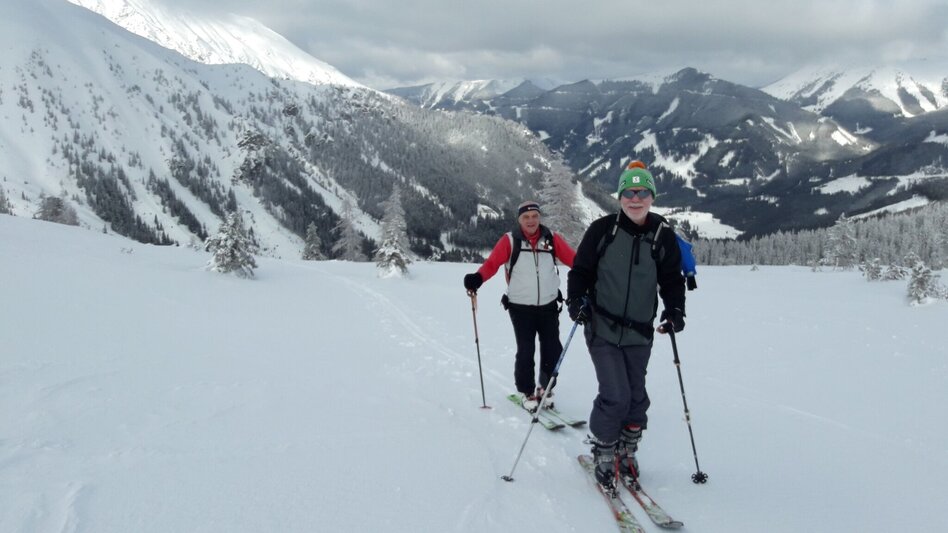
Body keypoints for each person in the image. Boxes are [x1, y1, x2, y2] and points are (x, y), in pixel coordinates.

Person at [566, 160, 686, 494]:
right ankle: (604, 451)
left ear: (652, 196)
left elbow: (671, 280)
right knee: (615, 395)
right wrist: (576, 302)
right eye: (629, 192)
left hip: (640, 332)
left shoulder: (661, 235)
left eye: (642, 192)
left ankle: (627, 451)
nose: (636, 199)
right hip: (601, 326)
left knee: (636, 399)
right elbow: (580, 272)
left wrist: (675, 310)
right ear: (619, 196)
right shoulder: (603, 231)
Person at [463, 200, 576, 410]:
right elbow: (492, 264)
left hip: (549, 304)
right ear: (519, 220)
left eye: (535, 216)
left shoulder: (551, 239)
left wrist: (592, 274)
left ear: (539, 217)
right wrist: (477, 278)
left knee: (553, 348)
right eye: (526, 217)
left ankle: (545, 387)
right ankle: (526, 391)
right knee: (526, 349)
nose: (531, 221)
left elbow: (574, 260)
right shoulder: (510, 241)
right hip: (520, 306)